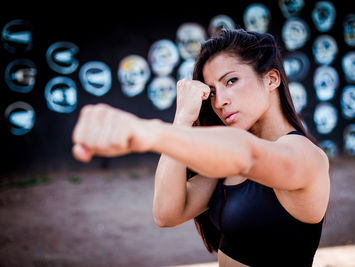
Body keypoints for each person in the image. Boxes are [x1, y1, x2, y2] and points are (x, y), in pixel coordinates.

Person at [72, 29, 330, 267]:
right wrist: (182, 119)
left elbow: (249, 156)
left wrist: (149, 132)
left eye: (230, 81)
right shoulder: (225, 161)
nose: (220, 102)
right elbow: (166, 213)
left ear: (271, 79)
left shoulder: (304, 155)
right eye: (213, 91)